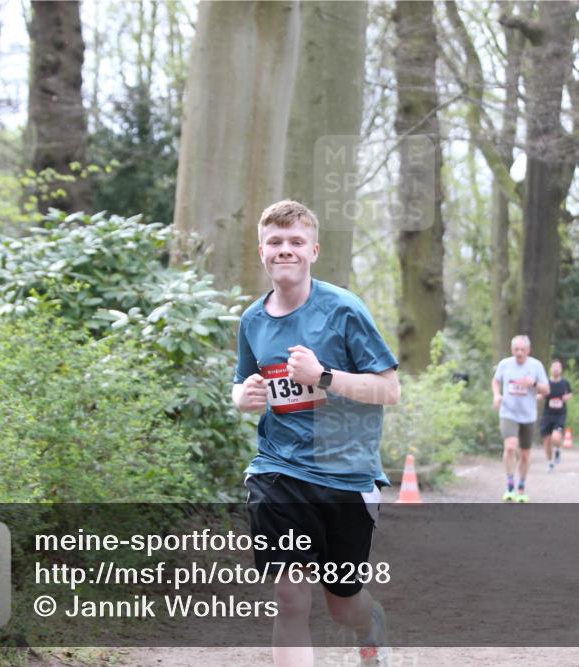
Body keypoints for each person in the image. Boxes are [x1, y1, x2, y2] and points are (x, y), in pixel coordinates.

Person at [232, 200, 399, 667]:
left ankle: (369, 624)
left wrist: (324, 376)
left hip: (346, 475)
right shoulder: (252, 320)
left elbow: (390, 389)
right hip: (278, 470)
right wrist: (243, 396)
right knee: (290, 597)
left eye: (296, 241)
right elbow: (242, 382)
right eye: (275, 241)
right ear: (262, 251)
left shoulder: (344, 310)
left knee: (343, 605)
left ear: (314, 250)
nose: (285, 249)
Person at [492, 335, 550, 502]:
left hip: (528, 415)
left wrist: (533, 383)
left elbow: (546, 390)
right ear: (512, 349)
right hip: (508, 412)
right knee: (510, 447)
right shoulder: (505, 364)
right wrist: (497, 395)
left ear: (528, 350)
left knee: (524, 454)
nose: (519, 353)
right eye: (516, 349)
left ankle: (521, 487)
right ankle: (510, 485)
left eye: (522, 350)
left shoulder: (536, 366)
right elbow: (496, 381)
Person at [540, 359, 573, 472]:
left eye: (558, 367)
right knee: (547, 440)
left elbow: (570, 393)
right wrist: (540, 396)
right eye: (554, 367)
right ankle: (550, 463)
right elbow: (540, 394)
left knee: (555, 437)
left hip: (560, 414)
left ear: (561, 369)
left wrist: (567, 397)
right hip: (547, 414)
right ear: (550, 369)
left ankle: (558, 449)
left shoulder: (565, 382)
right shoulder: (546, 382)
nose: (555, 369)